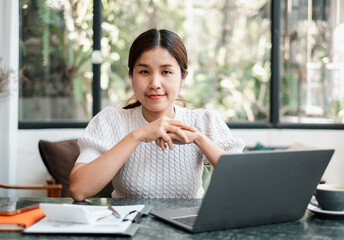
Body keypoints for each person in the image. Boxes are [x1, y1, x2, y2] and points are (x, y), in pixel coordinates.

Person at [69, 29, 244, 201]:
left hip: (186, 226)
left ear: (183, 78)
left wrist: (199, 138)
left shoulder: (203, 121)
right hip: (129, 225)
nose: (155, 84)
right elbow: (78, 190)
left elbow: (243, 181)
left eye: (166, 72)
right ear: (132, 75)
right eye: (144, 72)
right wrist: (138, 135)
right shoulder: (110, 120)